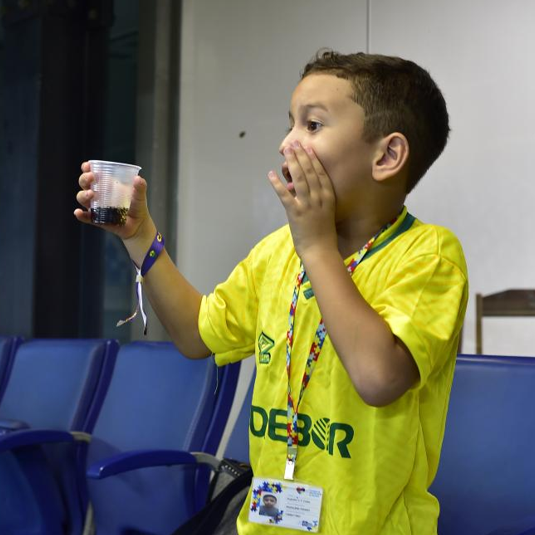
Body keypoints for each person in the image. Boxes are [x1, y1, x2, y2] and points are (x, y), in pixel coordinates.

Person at [75, 50, 468, 534]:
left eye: (314, 125)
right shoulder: (278, 252)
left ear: (386, 156)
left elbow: (378, 378)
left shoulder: (429, 256)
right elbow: (197, 335)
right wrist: (141, 238)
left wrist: (317, 245)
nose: (287, 143)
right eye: (291, 124)